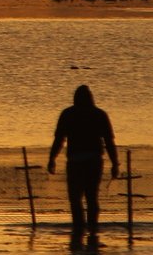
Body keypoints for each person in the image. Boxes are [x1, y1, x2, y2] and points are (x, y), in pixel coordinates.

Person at [47, 84, 118, 236]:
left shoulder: (68, 114)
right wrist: (114, 163)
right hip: (92, 161)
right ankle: (91, 228)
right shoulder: (99, 114)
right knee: (91, 197)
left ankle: (79, 229)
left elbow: (59, 140)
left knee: (76, 198)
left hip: (76, 162)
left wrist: (52, 158)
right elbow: (109, 142)